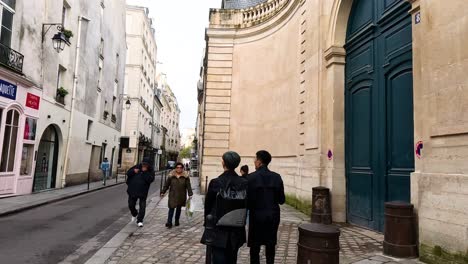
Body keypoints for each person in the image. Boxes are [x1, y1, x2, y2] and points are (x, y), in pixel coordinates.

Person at [201, 151, 248, 264]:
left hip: (218, 228)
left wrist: (207, 224)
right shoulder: (245, 183)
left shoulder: (216, 182)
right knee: (232, 259)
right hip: (236, 228)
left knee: (218, 258)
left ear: (224, 163)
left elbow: (208, 206)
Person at [247, 150, 285, 264]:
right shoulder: (277, 177)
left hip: (256, 216)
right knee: (270, 246)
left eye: (255, 159)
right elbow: (281, 200)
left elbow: (247, 201)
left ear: (259, 161)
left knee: (255, 247)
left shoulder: (250, 178)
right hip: (272, 216)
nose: (254, 161)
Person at [161, 162, 193, 228]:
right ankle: (169, 222)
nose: (179, 169)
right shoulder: (171, 176)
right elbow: (166, 185)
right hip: (172, 194)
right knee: (171, 208)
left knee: (179, 209)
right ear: (175, 168)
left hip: (181, 195)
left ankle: (176, 221)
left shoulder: (185, 176)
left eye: (180, 168)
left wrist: (190, 194)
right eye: (177, 167)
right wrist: (163, 192)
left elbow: (188, 186)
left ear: (182, 168)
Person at [126, 160, 155, 227]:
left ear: (148, 165)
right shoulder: (136, 167)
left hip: (143, 192)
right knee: (131, 205)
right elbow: (128, 173)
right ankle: (134, 213)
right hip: (132, 190)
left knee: (142, 207)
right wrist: (133, 171)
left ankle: (139, 220)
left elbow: (150, 179)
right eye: (143, 164)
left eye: (146, 165)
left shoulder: (150, 171)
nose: (144, 166)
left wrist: (145, 172)